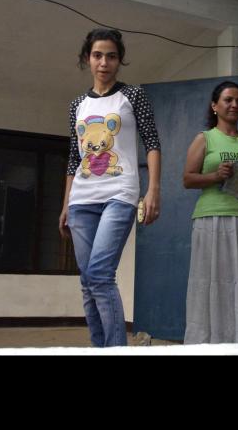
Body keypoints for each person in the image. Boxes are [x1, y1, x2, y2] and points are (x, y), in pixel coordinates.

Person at [58, 28, 161, 347]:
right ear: (87, 59)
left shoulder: (132, 96)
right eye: (98, 55)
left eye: (112, 56)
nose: (104, 62)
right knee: (88, 282)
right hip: (80, 202)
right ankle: (99, 348)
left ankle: (116, 350)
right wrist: (65, 204)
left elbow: (152, 142)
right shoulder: (77, 105)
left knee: (100, 274)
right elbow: (74, 158)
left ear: (120, 61)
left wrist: (153, 189)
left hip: (120, 194)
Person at [182, 81, 238, 343]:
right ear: (215, 106)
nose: (234, 105)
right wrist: (215, 175)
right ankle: (210, 341)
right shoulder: (205, 138)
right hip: (211, 217)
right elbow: (187, 179)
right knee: (211, 281)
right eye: (228, 100)